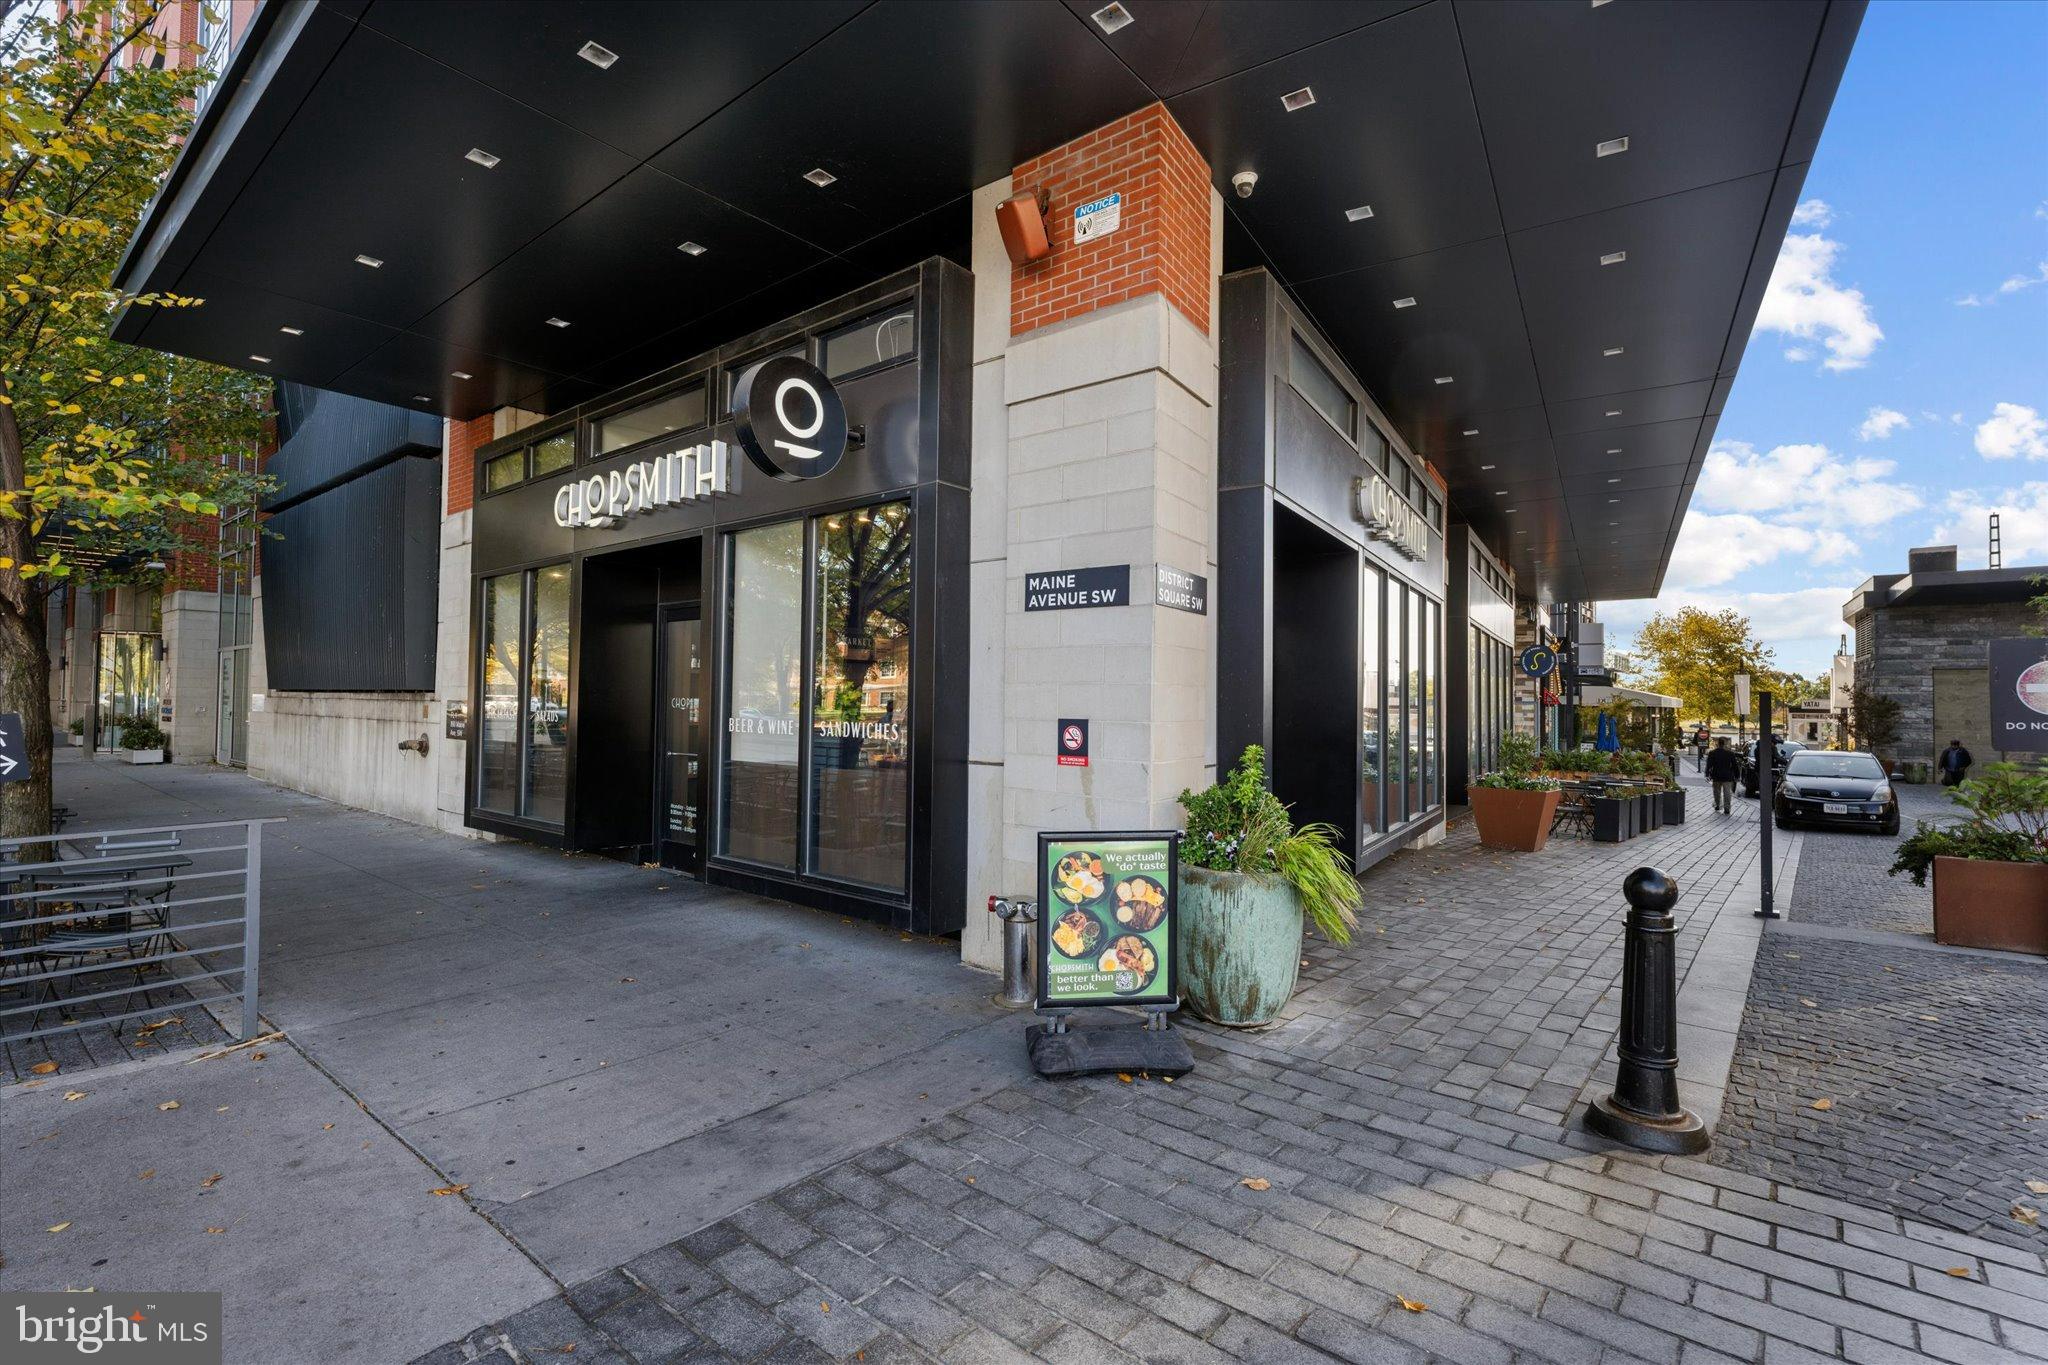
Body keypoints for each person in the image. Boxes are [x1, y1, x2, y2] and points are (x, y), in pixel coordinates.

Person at [1704, 737, 1740, 814]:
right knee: (1727, 793)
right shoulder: (1730, 753)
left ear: (1717, 744)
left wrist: (1707, 774)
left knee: (1716, 792)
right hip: (1727, 776)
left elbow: (1709, 765)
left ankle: (1717, 805)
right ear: (1725, 744)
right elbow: (1735, 766)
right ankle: (1727, 808)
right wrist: (1737, 776)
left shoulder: (1712, 753)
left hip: (1716, 775)